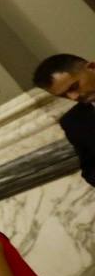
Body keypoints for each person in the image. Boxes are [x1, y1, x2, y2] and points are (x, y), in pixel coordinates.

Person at [32, 53, 95, 187]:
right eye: (63, 95)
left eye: (73, 87)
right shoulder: (73, 123)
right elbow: (90, 171)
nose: (73, 97)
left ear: (92, 68)